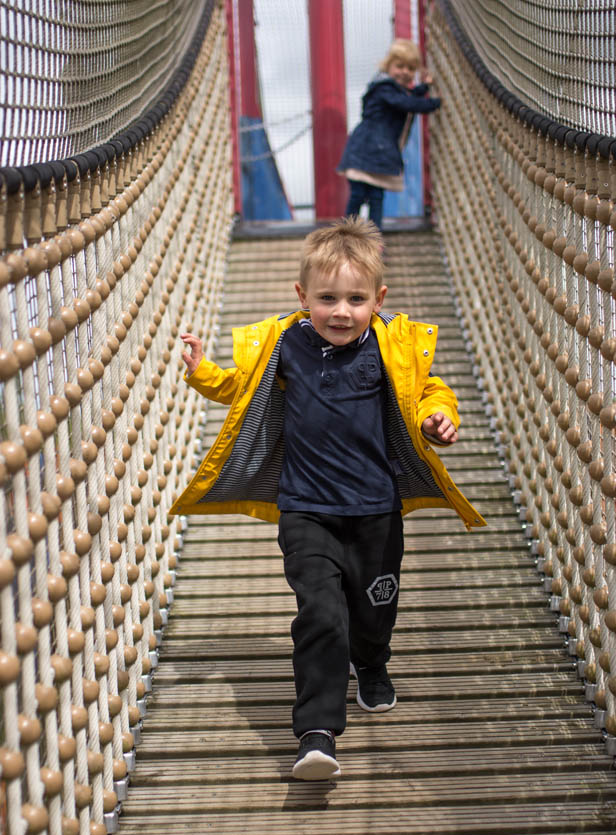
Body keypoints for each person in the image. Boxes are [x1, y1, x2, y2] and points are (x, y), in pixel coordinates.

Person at [170, 217, 485, 781]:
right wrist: (202, 372)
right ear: (302, 297)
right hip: (306, 506)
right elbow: (240, 388)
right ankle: (317, 732)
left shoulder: (390, 345)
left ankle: (372, 663)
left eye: (356, 299)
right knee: (320, 613)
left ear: (378, 300)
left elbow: (428, 390)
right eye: (327, 298)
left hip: (375, 509)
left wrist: (440, 417)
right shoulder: (286, 342)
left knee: (373, 610)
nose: (341, 311)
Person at [337, 38, 441, 230]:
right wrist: (434, 103)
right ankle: (346, 234)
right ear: (388, 66)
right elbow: (406, 103)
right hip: (366, 149)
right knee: (358, 194)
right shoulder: (384, 88)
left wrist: (424, 88)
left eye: (410, 69)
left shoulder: (395, 91)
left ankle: (374, 238)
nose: (405, 72)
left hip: (377, 153)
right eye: (399, 66)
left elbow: (407, 97)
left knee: (377, 196)